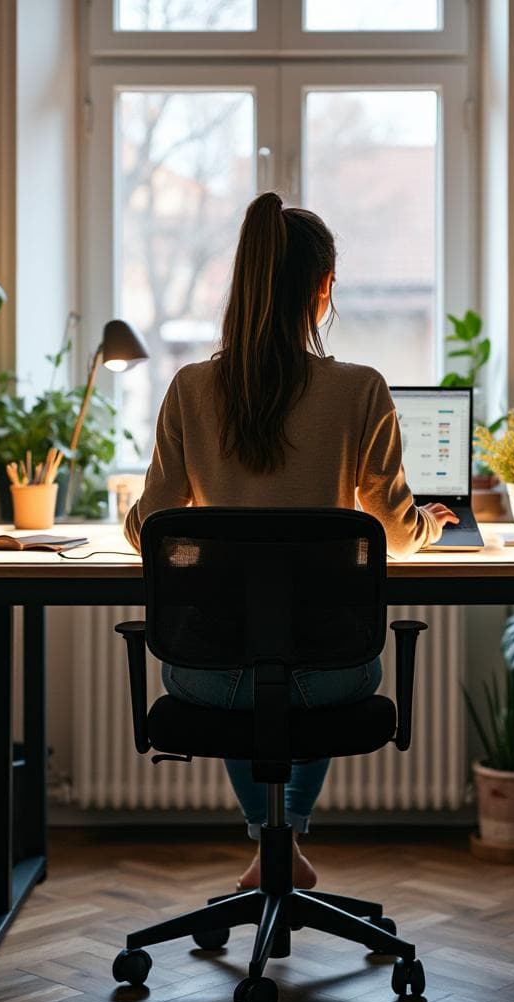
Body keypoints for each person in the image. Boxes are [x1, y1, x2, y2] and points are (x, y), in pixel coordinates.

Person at [122, 191, 456, 890]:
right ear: (323, 286)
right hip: (333, 667)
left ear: (243, 283)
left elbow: (146, 530)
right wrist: (428, 523)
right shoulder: (362, 390)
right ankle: (285, 846)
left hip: (207, 671)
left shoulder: (189, 388)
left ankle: (270, 848)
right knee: (316, 648)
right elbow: (396, 533)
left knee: (241, 659)